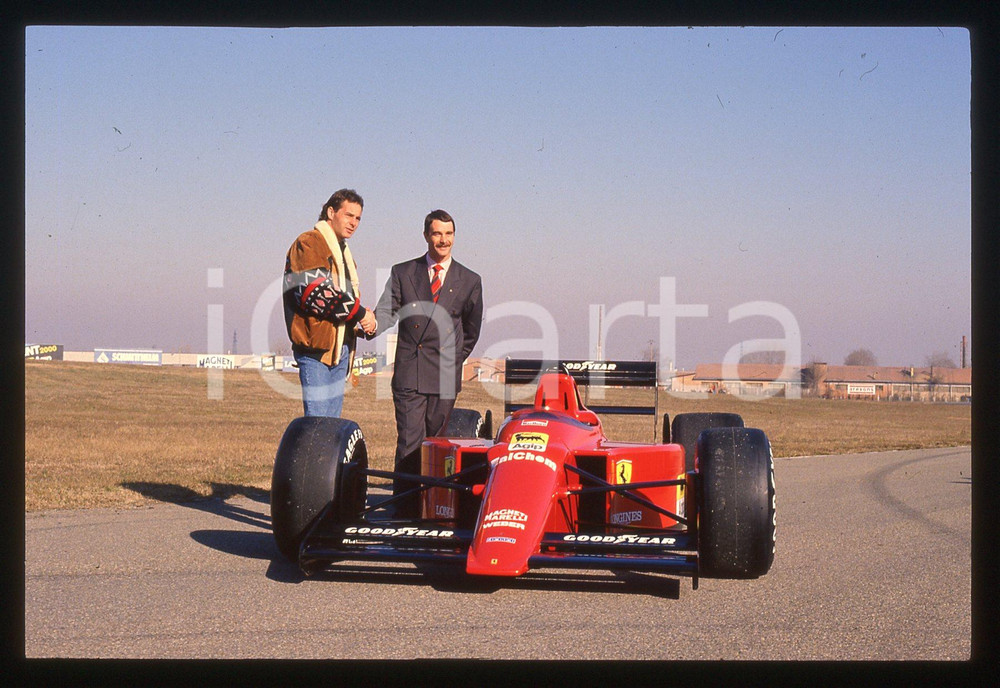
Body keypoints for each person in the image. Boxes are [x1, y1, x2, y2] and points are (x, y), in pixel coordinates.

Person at [373, 209, 483, 515]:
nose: (443, 240)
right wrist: (367, 325)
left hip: (445, 375)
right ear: (426, 236)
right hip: (409, 371)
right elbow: (387, 311)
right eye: (437, 234)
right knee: (409, 443)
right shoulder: (403, 272)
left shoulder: (470, 280)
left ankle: (435, 509)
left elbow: (472, 331)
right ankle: (406, 511)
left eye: (448, 234)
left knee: (437, 445)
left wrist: (452, 358)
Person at [283, 189, 377, 417]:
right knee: (318, 427)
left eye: (358, 218)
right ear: (331, 212)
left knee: (331, 428)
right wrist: (360, 314)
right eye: (348, 215)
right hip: (316, 349)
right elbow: (314, 293)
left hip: (341, 349)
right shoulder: (310, 242)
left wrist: (364, 321)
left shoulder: (344, 253)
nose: (353, 223)